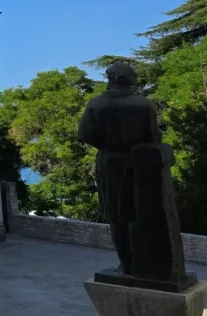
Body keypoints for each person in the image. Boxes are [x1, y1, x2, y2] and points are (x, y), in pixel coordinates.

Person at [77, 62, 161, 275]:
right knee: (141, 212)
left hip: (110, 163)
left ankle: (127, 264)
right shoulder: (144, 105)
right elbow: (153, 137)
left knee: (116, 217)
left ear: (111, 79)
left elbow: (86, 134)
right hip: (138, 164)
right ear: (130, 80)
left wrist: (107, 145)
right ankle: (147, 262)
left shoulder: (96, 104)